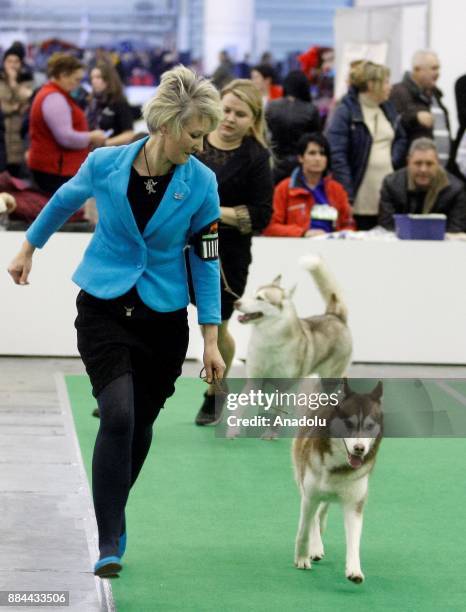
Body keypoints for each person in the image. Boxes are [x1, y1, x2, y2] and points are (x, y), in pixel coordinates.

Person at [8, 65, 226, 578]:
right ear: (167, 125)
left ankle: (111, 507)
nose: (199, 144)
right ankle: (110, 537)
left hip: (164, 317)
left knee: (142, 425)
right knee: (119, 415)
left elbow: (207, 257)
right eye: (194, 133)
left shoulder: (202, 183)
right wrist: (27, 248)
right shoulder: (106, 163)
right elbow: (62, 200)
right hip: (104, 306)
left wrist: (210, 339)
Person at [191, 78, 273, 425]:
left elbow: (260, 215)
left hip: (229, 255)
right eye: (226, 109)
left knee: (217, 326)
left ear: (253, 118)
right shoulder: (193, 138)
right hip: (179, 246)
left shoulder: (257, 157)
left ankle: (216, 392)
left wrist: (210, 210)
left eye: (240, 113)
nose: (229, 118)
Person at [326, 60, 407, 230]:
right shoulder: (345, 112)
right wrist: (347, 193)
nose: (390, 86)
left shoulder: (388, 108)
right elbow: (337, 154)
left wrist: (392, 161)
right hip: (360, 194)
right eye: (385, 82)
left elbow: (401, 138)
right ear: (371, 85)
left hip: (387, 193)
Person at [28, 53, 106, 195]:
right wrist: (92, 136)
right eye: (76, 79)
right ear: (63, 75)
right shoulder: (54, 98)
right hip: (55, 170)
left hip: (54, 167)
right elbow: (66, 138)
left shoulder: (54, 94)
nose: (78, 83)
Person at [263, 132, 354, 237]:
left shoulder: (337, 189)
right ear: (300, 158)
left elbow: (348, 225)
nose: (318, 158)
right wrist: (303, 233)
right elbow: (270, 227)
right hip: (296, 247)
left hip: (331, 247)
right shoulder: (284, 189)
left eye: (322, 154)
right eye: (312, 153)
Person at [378, 138, 466, 232]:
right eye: (418, 163)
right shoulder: (391, 184)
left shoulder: (456, 189)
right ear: (408, 162)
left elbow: (456, 229)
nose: (423, 169)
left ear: (438, 163)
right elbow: (387, 227)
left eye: (429, 164)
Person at [390, 50, 451, 167]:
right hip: (411, 173)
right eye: (433, 68)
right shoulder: (398, 92)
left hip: (438, 173)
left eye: (438, 69)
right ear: (417, 69)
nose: (438, 73)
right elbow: (394, 121)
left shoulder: (436, 96)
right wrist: (415, 117)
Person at [265, 70, 321, 184]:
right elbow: (317, 139)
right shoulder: (311, 110)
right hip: (301, 164)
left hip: (276, 163)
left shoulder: (271, 107)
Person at [0, 46, 33, 177]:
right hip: (2, 136)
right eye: (9, 61)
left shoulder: (27, 81)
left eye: (16, 61)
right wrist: (14, 107)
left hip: (19, 139)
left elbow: (27, 104)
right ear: (4, 62)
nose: (12, 65)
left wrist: (14, 83)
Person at [87, 61, 135, 146]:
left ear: (108, 80)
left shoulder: (119, 102)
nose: (94, 81)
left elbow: (129, 134)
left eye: (98, 77)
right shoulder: (91, 101)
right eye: (92, 78)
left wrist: (105, 143)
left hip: (109, 150)